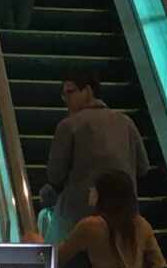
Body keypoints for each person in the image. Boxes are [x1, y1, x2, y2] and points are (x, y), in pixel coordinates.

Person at [42, 75, 149, 236]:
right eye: (64, 95)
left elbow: (55, 174)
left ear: (88, 90)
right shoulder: (126, 122)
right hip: (125, 216)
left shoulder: (69, 125)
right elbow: (143, 167)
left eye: (70, 92)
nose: (66, 100)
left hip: (78, 219)